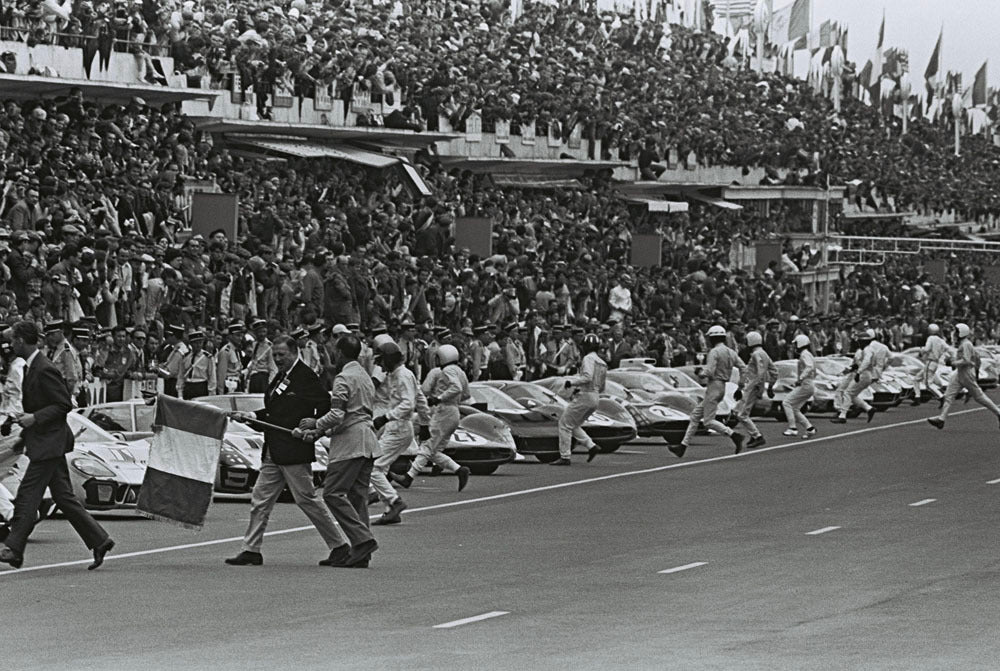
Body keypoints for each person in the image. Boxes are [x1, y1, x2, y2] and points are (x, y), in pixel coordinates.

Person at [225, 336, 351, 567]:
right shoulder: (280, 377)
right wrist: (252, 416)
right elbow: (275, 411)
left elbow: (326, 405)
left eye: (282, 355)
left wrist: (314, 423)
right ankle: (251, 549)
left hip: (294, 449)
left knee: (307, 500)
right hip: (273, 449)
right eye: (275, 355)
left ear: (294, 353)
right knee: (260, 500)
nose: (278, 359)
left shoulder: (305, 376)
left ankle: (339, 546)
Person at [0, 321, 114, 570]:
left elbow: (63, 404)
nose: (11, 345)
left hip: (49, 444)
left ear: (22, 341)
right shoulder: (34, 367)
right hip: (46, 441)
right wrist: (24, 437)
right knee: (64, 498)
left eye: (14, 340)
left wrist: (34, 418)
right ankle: (100, 540)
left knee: (27, 497)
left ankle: (14, 547)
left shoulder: (43, 368)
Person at [296, 336, 379, 568]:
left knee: (332, 493)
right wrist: (320, 433)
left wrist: (315, 424)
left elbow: (337, 415)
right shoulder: (364, 376)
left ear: (341, 353)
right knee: (357, 497)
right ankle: (361, 551)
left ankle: (362, 541)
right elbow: (351, 414)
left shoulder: (344, 378)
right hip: (367, 441)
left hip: (350, 444)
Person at [391, 344, 472, 490]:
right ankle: (459, 469)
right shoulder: (460, 371)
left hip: (444, 411)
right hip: (454, 411)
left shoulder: (447, 370)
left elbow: (456, 388)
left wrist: (439, 398)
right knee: (433, 451)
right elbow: (465, 393)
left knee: (427, 445)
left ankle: (408, 476)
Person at [370, 338, 428, 525]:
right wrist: (425, 422)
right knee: (381, 466)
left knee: (373, 467)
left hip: (398, 426)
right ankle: (388, 508)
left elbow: (408, 404)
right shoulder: (400, 374)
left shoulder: (402, 375)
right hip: (398, 427)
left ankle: (394, 501)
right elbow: (419, 398)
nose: (380, 364)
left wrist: (385, 417)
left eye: (381, 360)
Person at [673, 325, 746, 458]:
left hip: (714, 386)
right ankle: (682, 446)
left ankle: (734, 435)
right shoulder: (731, 352)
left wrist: (700, 373)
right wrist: (740, 387)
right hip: (722, 386)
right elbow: (743, 368)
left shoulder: (714, 352)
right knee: (695, 415)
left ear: (712, 338)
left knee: (708, 421)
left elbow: (710, 371)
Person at [928, 323, 1000, 430]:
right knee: (949, 395)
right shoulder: (963, 344)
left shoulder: (966, 344)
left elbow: (966, 360)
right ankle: (941, 419)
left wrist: (953, 363)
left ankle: (999, 413)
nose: (954, 334)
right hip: (960, 373)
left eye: (956, 332)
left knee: (979, 397)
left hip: (966, 373)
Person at [553, 333, 606, 465]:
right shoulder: (602, 363)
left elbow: (587, 377)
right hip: (595, 397)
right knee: (573, 424)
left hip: (586, 395)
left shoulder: (588, 359)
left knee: (564, 423)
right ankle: (591, 446)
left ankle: (565, 456)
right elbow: (602, 386)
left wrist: (572, 383)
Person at [734, 331, 777, 450]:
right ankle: (753, 435)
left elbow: (761, 371)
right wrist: (770, 386)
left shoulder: (756, 354)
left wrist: (758, 386)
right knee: (739, 411)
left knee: (742, 414)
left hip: (752, 387)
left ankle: (757, 435)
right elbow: (774, 371)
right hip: (752, 386)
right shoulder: (764, 354)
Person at [831, 329, 879, 424]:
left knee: (848, 393)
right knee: (851, 394)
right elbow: (859, 363)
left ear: (864, 341)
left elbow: (866, 361)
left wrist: (858, 372)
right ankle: (868, 408)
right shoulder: (864, 350)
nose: (858, 343)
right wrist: (853, 368)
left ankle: (842, 416)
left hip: (864, 374)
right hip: (865, 374)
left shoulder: (867, 350)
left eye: (859, 341)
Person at [782, 334, 818, 438]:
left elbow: (809, 367)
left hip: (806, 383)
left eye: (796, 344)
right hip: (809, 383)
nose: (794, 347)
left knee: (787, 402)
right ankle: (809, 428)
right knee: (795, 408)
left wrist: (801, 378)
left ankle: (792, 428)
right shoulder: (808, 354)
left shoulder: (804, 354)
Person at [915, 323, 947, 406]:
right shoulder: (941, 340)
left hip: (930, 361)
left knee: (928, 384)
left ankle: (941, 396)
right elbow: (947, 348)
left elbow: (927, 348)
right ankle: (917, 397)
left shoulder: (931, 338)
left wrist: (921, 351)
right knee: (916, 379)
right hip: (935, 362)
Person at [179, 330, 214, 400]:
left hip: (201, 386)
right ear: (191, 343)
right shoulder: (186, 357)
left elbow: (212, 376)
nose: (198, 345)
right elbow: (181, 376)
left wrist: (211, 393)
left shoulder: (207, 357)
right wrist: (180, 393)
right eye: (195, 343)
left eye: (200, 342)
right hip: (188, 386)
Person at [245, 319, 276, 393]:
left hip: (263, 378)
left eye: (264, 331)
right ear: (255, 332)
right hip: (253, 378)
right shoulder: (254, 344)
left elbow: (272, 368)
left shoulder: (269, 347)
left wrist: (271, 384)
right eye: (259, 332)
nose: (262, 334)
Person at [215, 320, 244, 395]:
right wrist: (221, 393)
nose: (240, 338)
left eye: (241, 336)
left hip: (237, 383)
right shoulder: (225, 351)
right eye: (237, 335)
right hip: (229, 385)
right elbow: (221, 374)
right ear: (230, 336)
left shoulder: (236, 350)